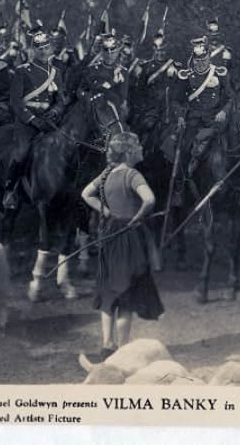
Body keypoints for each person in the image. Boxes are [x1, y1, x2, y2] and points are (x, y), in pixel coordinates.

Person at [80, 131, 164, 362]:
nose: (141, 150)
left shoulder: (106, 174)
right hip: (129, 238)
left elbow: (86, 193)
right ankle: (123, 348)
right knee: (126, 293)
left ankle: (107, 344)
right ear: (128, 152)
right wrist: (137, 216)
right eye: (137, 146)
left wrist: (105, 211)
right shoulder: (132, 174)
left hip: (109, 236)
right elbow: (149, 199)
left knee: (109, 292)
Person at [174, 35, 232, 180]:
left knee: (229, 147)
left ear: (209, 58)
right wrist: (180, 116)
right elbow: (176, 100)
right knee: (184, 149)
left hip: (215, 120)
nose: (200, 63)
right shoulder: (186, 75)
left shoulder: (220, 73)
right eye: (197, 60)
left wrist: (224, 111)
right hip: (193, 120)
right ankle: (182, 183)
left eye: (203, 60)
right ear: (193, 59)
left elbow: (231, 97)